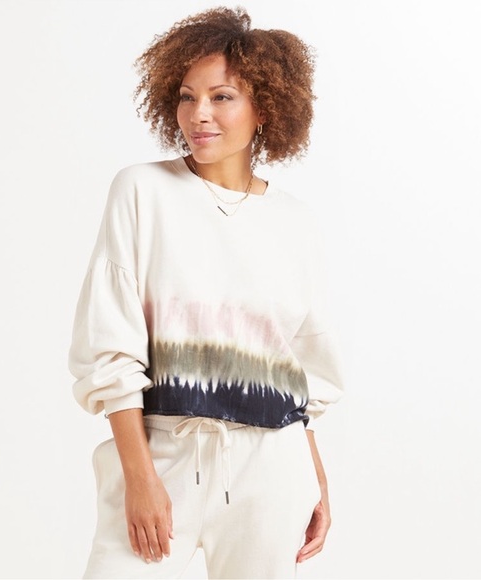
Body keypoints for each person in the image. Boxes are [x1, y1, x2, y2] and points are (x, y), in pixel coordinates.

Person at [68, 6, 344, 579]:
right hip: (162, 452)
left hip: (272, 468)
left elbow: (303, 367)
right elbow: (110, 347)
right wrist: (140, 478)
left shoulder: (296, 223)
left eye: (222, 97)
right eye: (187, 96)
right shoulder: (142, 191)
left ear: (264, 107)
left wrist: (314, 477)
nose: (199, 113)